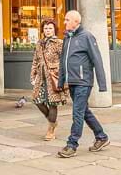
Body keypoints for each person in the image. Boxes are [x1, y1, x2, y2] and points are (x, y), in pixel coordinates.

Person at [57, 10, 109, 158]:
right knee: (84, 112)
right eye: (65, 20)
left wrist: (102, 84)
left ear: (76, 21)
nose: (65, 22)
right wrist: (61, 81)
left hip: (83, 82)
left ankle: (72, 144)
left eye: (67, 20)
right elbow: (63, 61)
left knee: (77, 113)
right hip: (72, 81)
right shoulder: (67, 37)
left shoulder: (87, 36)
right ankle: (101, 136)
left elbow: (97, 60)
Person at [30, 18, 69, 141]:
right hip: (41, 78)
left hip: (54, 77)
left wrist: (62, 76)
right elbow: (35, 60)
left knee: (52, 103)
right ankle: (53, 121)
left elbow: (64, 61)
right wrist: (33, 75)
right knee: (37, 100)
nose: (47, 30)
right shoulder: (39, 43)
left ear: (54, 30)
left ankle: (51, 129)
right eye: (46, 28)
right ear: (43, 30)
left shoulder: (59, 43)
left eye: (50, 28)